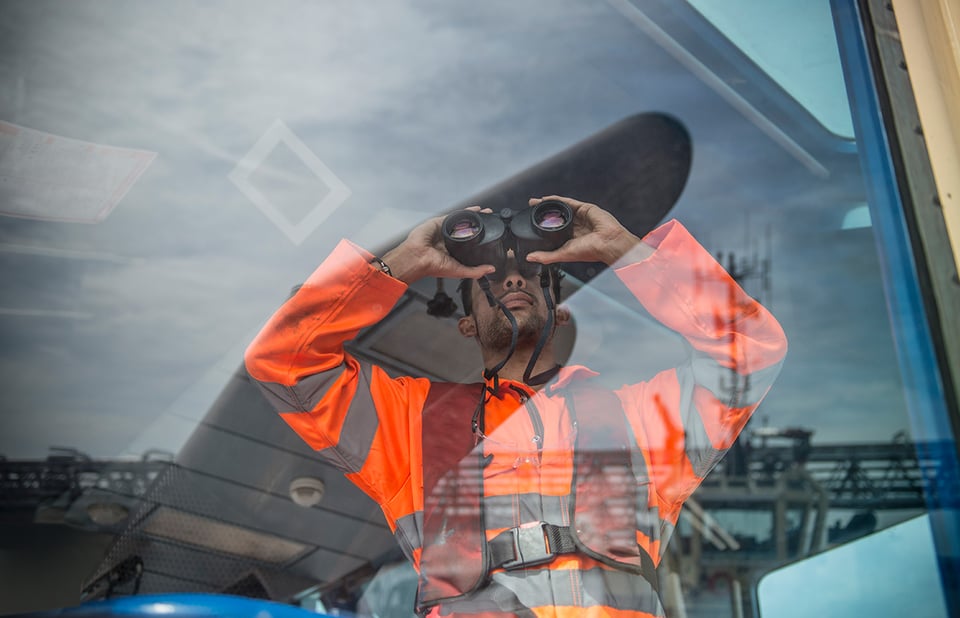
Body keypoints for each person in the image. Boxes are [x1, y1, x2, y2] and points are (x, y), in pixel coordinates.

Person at [244, 195, 787, 617]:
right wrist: (401, 264)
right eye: (488, 281)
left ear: (562, 312)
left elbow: (752, 354)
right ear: (465, 323)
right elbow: (282, 361)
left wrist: (626, 250)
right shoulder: (406, 424)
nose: (511, 278)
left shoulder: (641, 418)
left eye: (532, 276)